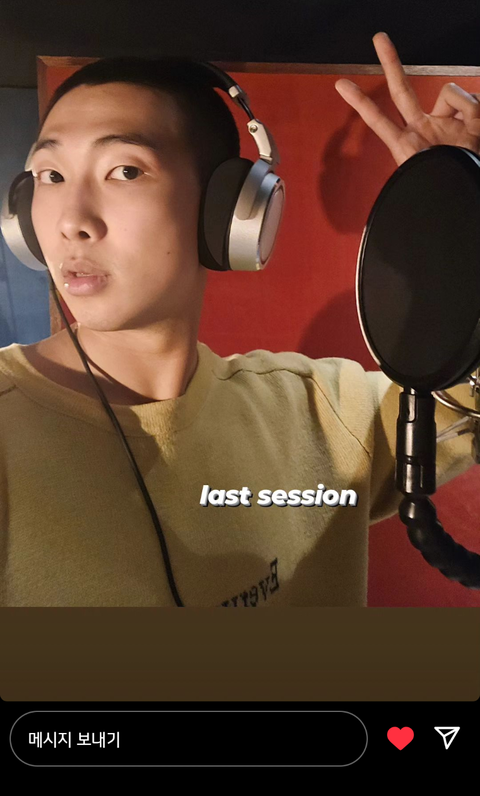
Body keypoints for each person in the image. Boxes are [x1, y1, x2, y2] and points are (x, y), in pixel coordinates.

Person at [0, 33, 478, 607]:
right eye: (50, 176)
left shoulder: (327, 415)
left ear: (227, 210)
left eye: (124, 171)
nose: (71, 221)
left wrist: (459, 206)